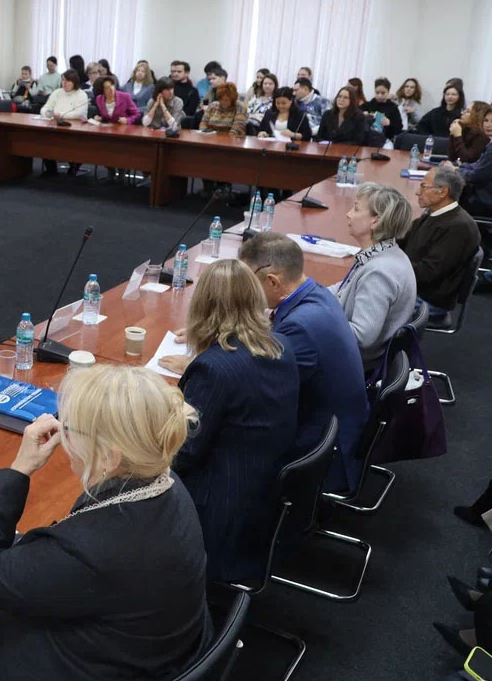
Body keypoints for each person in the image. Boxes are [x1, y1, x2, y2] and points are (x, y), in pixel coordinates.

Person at [0, 364, 210, 681]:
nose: (63, 435)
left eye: (71, 428)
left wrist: (20, 468)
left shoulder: (90, 551)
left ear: (110, 458)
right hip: (147, 658)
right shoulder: (169, 484)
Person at [158, 259, 300, 584]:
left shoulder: (213, 369)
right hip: (259, 493)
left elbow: (181, 454)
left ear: (203, 306)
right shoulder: (281, 345)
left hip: (217, 510)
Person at [239, 233, 369, 495]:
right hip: (337, 425)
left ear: (273, 281)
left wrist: (203, 359)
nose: (244, 291)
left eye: (247, 283)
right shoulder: (314, 292)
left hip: (322, 452)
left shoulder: (300, 327)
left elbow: (254, 388)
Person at [337, 183, 418, 368]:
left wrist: (316, 319)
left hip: (352, 363)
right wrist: (308, 292)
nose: (348, 214)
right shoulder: (385, 252)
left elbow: (361, 337)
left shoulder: (379, 272)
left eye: (356, 209)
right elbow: (344, 288)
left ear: (375, 221)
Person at [401, 166, 481, 323]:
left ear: (443, 192)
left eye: (424, 186)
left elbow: (428, 274)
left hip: (428, 300)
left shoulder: (458, 228)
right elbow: (403, 242)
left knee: (367, 296)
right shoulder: (434, 214)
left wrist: (389, 268)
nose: (418, 192)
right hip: (416, 287)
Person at [455, 104, 492, 215]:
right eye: (486, 120)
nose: (488, 125)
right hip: (482, 194)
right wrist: (460, 168)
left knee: (446, 199)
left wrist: (457, 170)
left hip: (485, 201)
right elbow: (476, 164)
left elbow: (476, 176)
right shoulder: (490, 144)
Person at [361, 77, 405, 142]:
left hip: (385, 139)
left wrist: (390, 123)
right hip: (366, 138)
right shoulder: (367, 105)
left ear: (388, 92)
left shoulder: (393, 107)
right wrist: (361, 115)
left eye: (383, 93)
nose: (380, 95)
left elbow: (399, 127)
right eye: (377, 92)